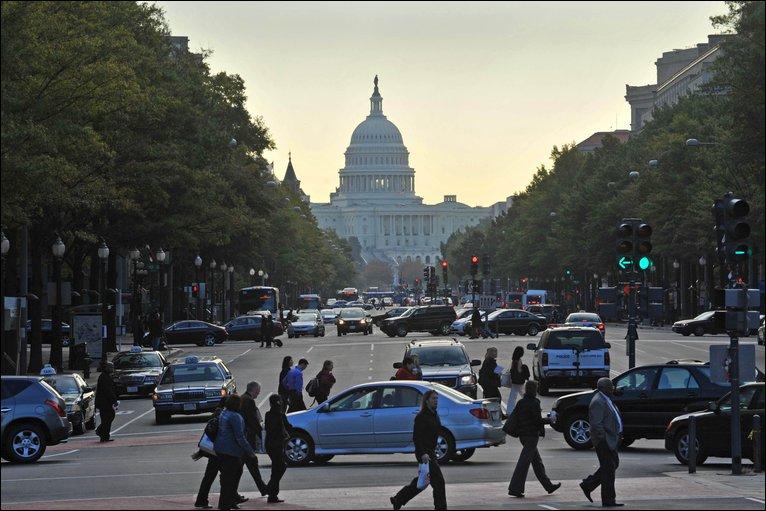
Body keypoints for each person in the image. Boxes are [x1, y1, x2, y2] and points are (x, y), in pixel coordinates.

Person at [390, 390, 447, 511]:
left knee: (422, 481)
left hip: (431, 452)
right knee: (439, 483)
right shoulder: (421, 417)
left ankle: (398, 499)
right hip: (425, 454)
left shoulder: (434, 414)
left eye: (437, 398)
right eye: (433, 399)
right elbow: (417, 437)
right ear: (427, 401)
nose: (436, 401)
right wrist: (423, 453)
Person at [507, 380, 561, 498]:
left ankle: (549, 486)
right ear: (534, 390)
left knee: (537, 463)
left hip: (523, 436)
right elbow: (537, 421)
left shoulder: (521, 402)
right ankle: (515, 488)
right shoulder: (534, 403)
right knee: (524, 463)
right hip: (531, 436)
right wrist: (550, 420)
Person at [580, 377, 624, 508]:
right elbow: (596, 424)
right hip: (604, 441)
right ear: (604, 388)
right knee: (609, 470)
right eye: (611, 386)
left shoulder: (606, 398)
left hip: (611, 439)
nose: (613, 388)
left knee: (612, 465)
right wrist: (604, 439)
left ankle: (588, 484)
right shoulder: (598, 402)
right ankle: (608, 500)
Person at [214, 394, 257, 511]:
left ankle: (230, 501)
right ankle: (225, 505)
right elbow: (240, 437)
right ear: (237, 404)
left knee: (230, 477)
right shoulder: (235, 417)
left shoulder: (224, 413)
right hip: (231, 452)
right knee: (230, 479)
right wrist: (250, 451)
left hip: (221, 449)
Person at [193, 397, 227, 509]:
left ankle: (201, 500)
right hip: (217, 451)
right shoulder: (222, 415)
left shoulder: (217, 413)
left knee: (211, 476)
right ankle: (202, 500)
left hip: (213, 451)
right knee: (227, 475)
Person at [239, 382, 268, 497]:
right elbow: (252, 420)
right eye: (258, 390)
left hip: (244, 439)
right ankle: (263, 488)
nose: (259, 393)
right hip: (246, 439)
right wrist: (262, 435)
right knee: (247, 465)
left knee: (250, 465)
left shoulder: (243, 398)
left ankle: (263, 488)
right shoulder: (249, 401)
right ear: (254, 390)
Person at [265, 394, 290, 503]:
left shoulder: (268, 415)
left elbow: (268, 428)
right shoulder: (280, 415)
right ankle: (270, 489)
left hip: (270, 444)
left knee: (276, 468)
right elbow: (288, 427)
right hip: (278, 445)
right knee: (281, 467)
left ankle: (272, 494)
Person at [95, 362, 118, 442]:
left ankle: (104, 435)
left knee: (108, 417)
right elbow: (108, 391)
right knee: (107, 418)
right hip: (104, 402)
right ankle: (102, 433)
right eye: (111, 367)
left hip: (106, 402)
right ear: (107, 368)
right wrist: (114, 400)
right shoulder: (104, 377)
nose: (112, 369)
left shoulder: (107, 376)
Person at [506, 347, 531, 413]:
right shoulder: (519, 360)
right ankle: (529, 407)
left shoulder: (514, 360)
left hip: (515, 380)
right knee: (523, 394)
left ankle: (509, 411)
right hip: (519, 381)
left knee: (514, 396)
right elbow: (519, 370)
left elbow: (512, 370)